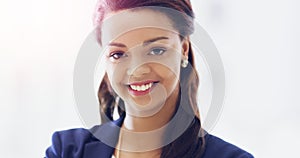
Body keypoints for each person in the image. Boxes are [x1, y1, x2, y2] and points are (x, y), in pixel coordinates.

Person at [45, 0, 254, 157]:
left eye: (156, 50)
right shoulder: (68, 150)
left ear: (183, 49)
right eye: (118, 54)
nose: (137, 70)